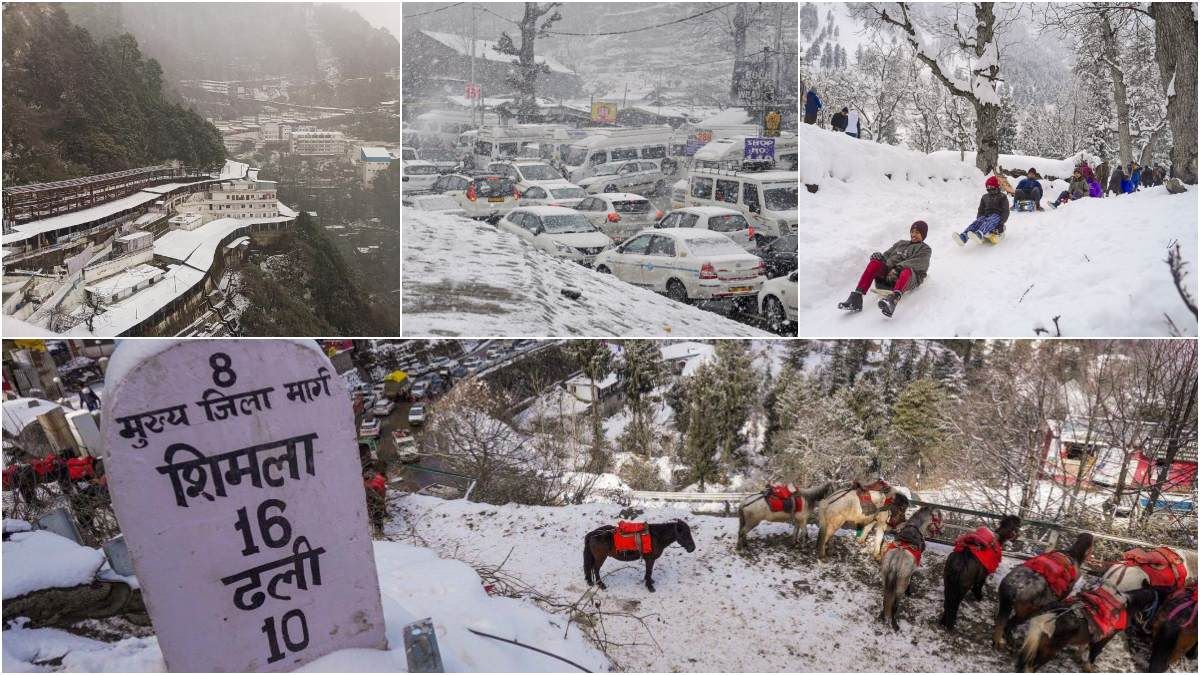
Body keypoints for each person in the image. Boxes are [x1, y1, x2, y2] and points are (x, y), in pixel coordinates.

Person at [837, 220, 932, 318]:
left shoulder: (925, 249)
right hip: (888, 276)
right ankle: (856, 298)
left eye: (917, 232)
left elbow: (920, 263)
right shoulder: (901, 243)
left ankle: (892, 301)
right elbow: (886, 255)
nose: (913, 234)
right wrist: (879, 257)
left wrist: (898, 268)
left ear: (923, 235)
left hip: (907, 278)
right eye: (912, 231)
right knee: (874, 263)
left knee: (906, 270)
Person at [954, 176, 1009, 244]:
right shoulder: (985, 197)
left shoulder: (1002, 196)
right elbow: (981, 209)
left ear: (996, 186)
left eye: (991, 187)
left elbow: (1006, 211)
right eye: (988, 187)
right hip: (986, 215)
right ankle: (964, 237)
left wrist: (1001, 223)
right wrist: (979, 219)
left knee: (991, 219)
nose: (989, 188)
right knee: (977, 222)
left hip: (997, 216)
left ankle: (980, 234)